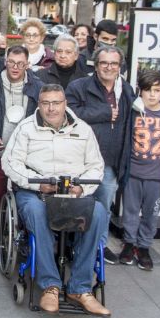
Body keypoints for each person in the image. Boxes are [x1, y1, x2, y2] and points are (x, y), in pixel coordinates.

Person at [1, 84, 110, 317]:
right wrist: (38, 183)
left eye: (56, 103)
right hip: (36, 192)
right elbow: (9, 163)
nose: (51, 108)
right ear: (39, 105)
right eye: (46, 103)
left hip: (72, 193)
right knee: (37, 214)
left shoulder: (83, 129)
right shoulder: (26, 128)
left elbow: (96, 166)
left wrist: (82, 187)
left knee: (99, 213)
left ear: (65, 104)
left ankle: (80, 287)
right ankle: (50, 285)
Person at [66, 45, 134, 264]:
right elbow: (69, 114)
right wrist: (104, 113)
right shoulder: (79, 86)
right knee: (81, 206)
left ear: (120, 66)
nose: (109, 67)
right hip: (82, 161)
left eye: (114, 63)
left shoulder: (126, 90)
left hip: (111, 161)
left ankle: (99, 247)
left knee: (104, 209)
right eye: (104, 63)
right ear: (96, 65)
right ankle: (76, 247)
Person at [119, 69, 160, 270]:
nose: (152, 95)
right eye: (148, 90)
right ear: (141, 91)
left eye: (157, 90)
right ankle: (129, 243)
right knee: (129, 211)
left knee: (150, 214)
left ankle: (144, 246)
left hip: (158, 176)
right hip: (134, 173)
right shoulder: (133, 110)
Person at [0, 45, 41, 249]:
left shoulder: (37, 87)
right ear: (5, 61)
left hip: (25, 151)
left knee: (24, 193)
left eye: (20, 64)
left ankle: (24, 232)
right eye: (11, 62)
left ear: (27, 64)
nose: (15, 67)